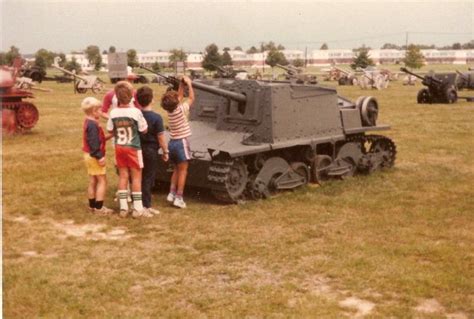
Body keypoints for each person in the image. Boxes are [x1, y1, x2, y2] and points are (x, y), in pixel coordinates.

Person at [107, 81, 151, 218]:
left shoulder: (113, 113)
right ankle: (138, 208)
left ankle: (123, 207)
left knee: (123, 176)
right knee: (136, 177)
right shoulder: (135, 111)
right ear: (132, 96)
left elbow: (109, 129)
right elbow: (143, 129)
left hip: (119, 147)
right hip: (133, 148)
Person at [160, 76, 194, 209]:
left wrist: (181, 84)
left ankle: (171, 193)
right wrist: (189, 85)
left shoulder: (170, 111)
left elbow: (179, 97)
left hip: (172, 142)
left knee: (176, 169)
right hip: (181, 143)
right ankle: (179, 197)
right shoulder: (181, 109)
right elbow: (191, 98)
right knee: (183, 170)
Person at [136, 86, 169, 215]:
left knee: (137, 177)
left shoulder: (136, 115)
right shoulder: (157, 118)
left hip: (137, 149)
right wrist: (165, 151)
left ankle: (137, 203)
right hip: (150, 150)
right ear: (152, 100)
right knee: (148, 178)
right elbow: (161, 137)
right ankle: (146, 205)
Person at [81, 97, 113, 215]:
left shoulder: (88, 121)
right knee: (102, 181)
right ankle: (99, 208)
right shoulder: (93, 125)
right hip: (94, 156)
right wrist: (100, 157)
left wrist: (110, 135)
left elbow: (97, 139)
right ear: (94, 111)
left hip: (88, 155)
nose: (101, 112)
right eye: (99, 110)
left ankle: (92, 205)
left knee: (93, 180)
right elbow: (94, 143)